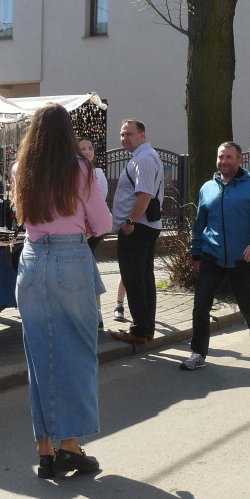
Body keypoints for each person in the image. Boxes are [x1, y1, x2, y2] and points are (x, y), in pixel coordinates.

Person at [14, 103, 112, 478]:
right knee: (77, 353)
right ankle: (70, 445)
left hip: (32, 259)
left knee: (38, 355)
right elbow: (102, 221)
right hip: (71, 256)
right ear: (67, 132)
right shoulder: (81, 169)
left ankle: (45, 449)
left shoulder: (22, 168)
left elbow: (22, 216)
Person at [181, 142, 250, 371]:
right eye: (221, 157)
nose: (224, 161)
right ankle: (198, 352)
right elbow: (200, 223)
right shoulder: (207, 189)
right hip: (212, 255)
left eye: (229, 157)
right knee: (201, 305)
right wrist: (196, 253)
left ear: (240, 160)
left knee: (247, 305)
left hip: (242, 258)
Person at [109, 119, 164, 345]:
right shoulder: (144, 157)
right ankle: (146, 328)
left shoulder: (143, 158)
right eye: (122, 134)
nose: (124, 139)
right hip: (143, 227)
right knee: (143, 279)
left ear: (142, 135)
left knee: (134, 280)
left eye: (129, 134)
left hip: (137, 228)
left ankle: (139, 330)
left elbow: (144, 194)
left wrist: (130, 221)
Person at [78, 136, 109, 329]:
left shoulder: (97, 172)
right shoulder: (75, 171)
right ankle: (95, 314)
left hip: (91, 230)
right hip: (78, 230)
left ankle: (95, 313)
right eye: (83, 148)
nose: (88, 151)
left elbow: (99, 201)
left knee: (88, 268)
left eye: (90, 148)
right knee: (88, 268)